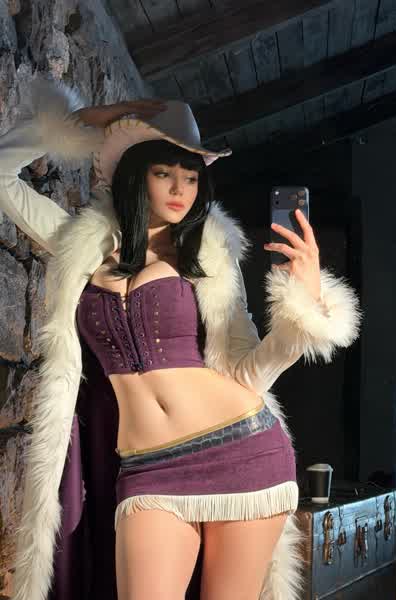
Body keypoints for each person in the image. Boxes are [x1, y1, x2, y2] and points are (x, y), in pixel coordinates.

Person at [1, 74, 363, 600]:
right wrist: (86, 122)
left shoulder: (209, 258)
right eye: (164, 173)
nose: (179, 190)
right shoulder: (78, 243)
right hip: (146, 468)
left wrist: (303, 306)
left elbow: (248, 372)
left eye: (191, 177)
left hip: (243, 450)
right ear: (134, 176)